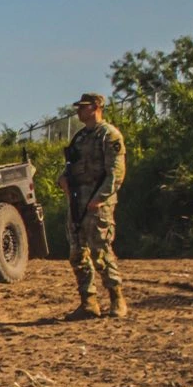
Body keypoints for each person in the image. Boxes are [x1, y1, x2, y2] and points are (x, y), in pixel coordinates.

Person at [62, 91, 129, 318]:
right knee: (77, 253)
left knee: (101, 251)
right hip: (77, 202)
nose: (79, 111)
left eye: (84, 106)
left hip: (98, 202)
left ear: (96, 106)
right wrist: (64, 179)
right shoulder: (81, 137)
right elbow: (71, 165)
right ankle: (88, 302)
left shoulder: (109, 135)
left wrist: (99, 198)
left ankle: (116, 299)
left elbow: (116, 173)